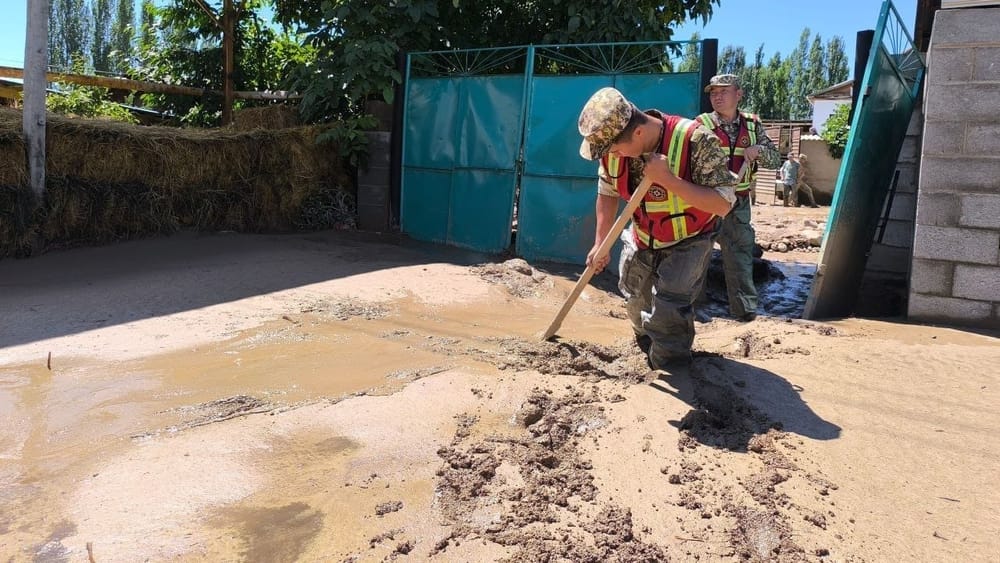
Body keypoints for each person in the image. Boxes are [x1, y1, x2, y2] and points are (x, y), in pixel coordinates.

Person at [577, 87, 736, 372]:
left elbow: (722, 205)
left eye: (615, 149)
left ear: (637, 133)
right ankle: (645, 342)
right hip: (643, 236)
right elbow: (607, 190)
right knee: (635, 297)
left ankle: (671, 370)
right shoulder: (613, 145)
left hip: (689, 239)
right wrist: (600, 242)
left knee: (670, 309)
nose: (613, 154)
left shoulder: (696, 140)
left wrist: (669, 180)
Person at [697, 74, 781, 322]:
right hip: (706, 201)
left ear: (739, 94)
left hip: (738, 203)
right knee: (695, 255)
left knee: (740, 258)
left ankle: (744, 313)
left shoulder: (753, 126)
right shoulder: (701, 124)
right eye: (713, 93)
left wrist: (760, 151)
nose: (717, 97)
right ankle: (690, 308)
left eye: (724, 92)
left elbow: (775, 159)